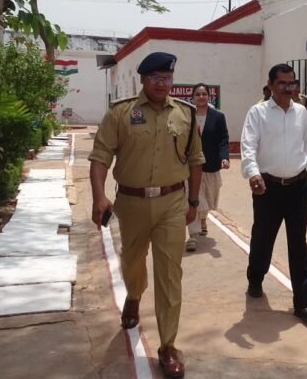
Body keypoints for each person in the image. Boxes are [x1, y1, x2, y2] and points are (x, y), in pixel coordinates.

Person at [89, 52, 204, 378]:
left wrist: (193, 201)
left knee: (170, 273)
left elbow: (196, 160)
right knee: (132, 261)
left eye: (167, 78)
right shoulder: (121, 113)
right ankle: (134, 295)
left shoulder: (185, 114)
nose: (161, 84)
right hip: (132, 202)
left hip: (172, 203)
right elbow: (100, 157)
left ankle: (168, 345)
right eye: (155, 77)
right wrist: (99, 196)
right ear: (143, 79)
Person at [241, 63, 307, 322]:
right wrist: (253, 173)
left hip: (298, 187)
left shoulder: (301, 112)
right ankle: (255, 278)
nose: (288, 88)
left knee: (298, 243)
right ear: (271, 85)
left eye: (291, 83)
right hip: (268, 188)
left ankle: (303, 303)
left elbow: (305, 141)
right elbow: (248, 145)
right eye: (282, 83)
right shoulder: (258, 113)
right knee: (263, 238)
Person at [185, 83, 230, 252]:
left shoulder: (218, 117)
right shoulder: (187, 115)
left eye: (204, 94)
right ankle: (193, 235)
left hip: (211, 165)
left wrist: (224, 158)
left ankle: (203, 219)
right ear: (193, 97)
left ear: (209, 97)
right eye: (198, 94)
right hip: (191, 166)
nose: (201, 97)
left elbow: (223, 139)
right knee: (193, 198)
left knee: (209, 199)